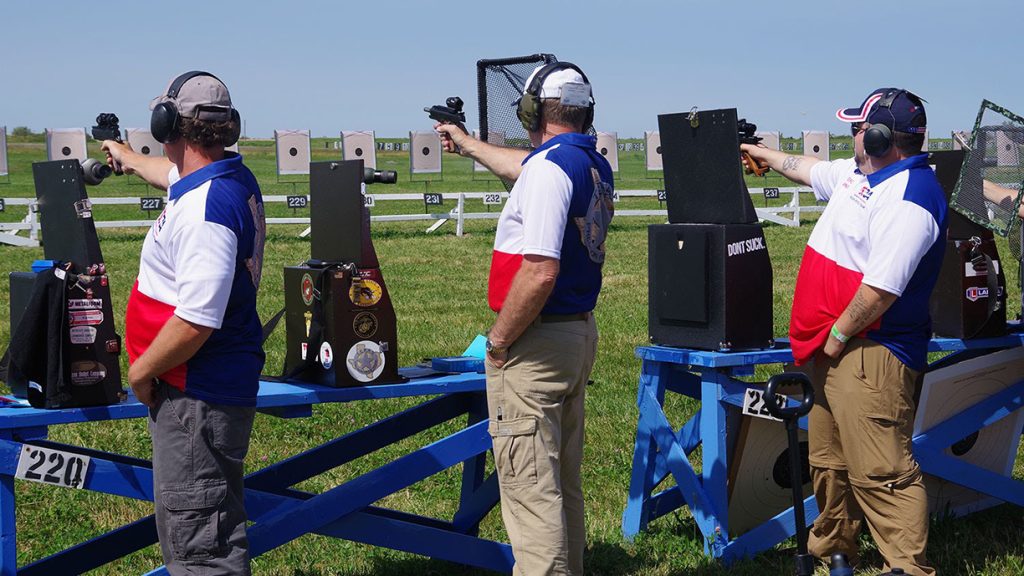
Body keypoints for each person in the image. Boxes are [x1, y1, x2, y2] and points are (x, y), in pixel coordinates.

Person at [741, 88, 945, 576]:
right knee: (829, 464)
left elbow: (880, 291)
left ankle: (907, 568)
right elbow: (803, 167)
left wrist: (833, 340)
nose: (851, 135)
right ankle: (833, 553)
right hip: (833, 347)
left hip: (870, 347)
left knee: (882, 469)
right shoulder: (861, 176)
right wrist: (759, 153)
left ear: (878, 137)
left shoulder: (909, 197)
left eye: (858, 128)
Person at [436, 62, 614, 576]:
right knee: (561, 485)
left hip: (535, 345)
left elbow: (538, 273)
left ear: (532, 110)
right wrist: (467, 144)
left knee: (531, 493)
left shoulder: (549, 170)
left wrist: (498, 341)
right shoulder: (588, 165)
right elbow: (528, 169)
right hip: (575, 335)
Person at [102, 71, 265, 575]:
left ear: (168, 122)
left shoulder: (204, 213)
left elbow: (196, 320)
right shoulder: (223, 177)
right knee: (201, 529)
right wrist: (126, 157)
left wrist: (141, 372)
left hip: (194, 393)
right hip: (202, 390)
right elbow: (169, 174)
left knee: (201, 551)